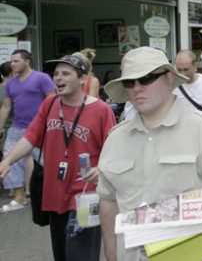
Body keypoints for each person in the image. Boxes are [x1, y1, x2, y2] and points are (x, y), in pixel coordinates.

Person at [97, 47, 202, 261]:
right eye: (130, 82)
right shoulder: (115, 139)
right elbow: (108, 202)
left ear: (169, 78)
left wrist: (161, 228)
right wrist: (111, 255)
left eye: (146, 79)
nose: (137, 88)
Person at [0, 55, 116, 261]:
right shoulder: (49, 104)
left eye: (65, 73)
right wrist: (7, 160)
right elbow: (30, 137)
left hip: (85, 196)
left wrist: (102, 169)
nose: (58, 78)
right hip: (55, 192)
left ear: (82, 79)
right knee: (62, 255)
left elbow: (114, 149)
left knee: (81, 256)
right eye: (56, 74)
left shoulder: (101, 110)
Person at [0, 50, 55, 209]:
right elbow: (6, 107)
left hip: (39, 128)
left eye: (16, 61)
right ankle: (19, 198)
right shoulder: (10, 83)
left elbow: (52, 101)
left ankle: (56, 194)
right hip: (17, 128)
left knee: (48, 161)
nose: (12, 64)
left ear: (27, 62)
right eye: (11, 61)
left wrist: (50, 124)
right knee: (10, 158)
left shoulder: (42, 78)